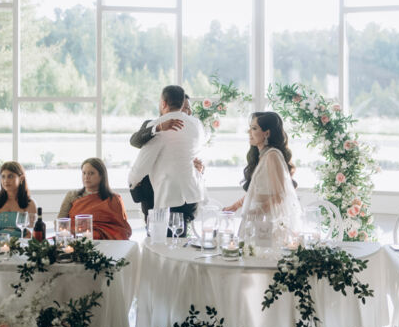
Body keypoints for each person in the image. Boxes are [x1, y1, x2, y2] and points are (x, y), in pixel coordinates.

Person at [128, 85, 205, 235]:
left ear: (163, 103)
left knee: (161, 243)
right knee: (181, 240)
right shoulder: (196, 125)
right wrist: (156, 128)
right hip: (191, 195)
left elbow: (144, 162)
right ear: (182, 104)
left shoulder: (163, 125)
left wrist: (132, 181)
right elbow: (134, 140)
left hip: (167, 197)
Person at [224, 112, 301, 229]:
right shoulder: (263, 156)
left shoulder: (272, 155)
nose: (249, 132)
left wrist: (257, 212)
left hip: (269, 222)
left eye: (254, 128)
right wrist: (234, 207)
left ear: (267, 133)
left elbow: (280, 195)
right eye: (250, 128)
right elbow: (257, 192)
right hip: (258, 220)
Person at [58, 158, 131, 240]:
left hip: (105, 241)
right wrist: (75, 232)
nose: (86, 177)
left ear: (101, 176)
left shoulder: (113, 199)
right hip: (75, 239)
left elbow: (120, 228)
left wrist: (95, 233)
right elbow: (60, 222)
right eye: (84, 173)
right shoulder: (72, 195)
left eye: (91, 173)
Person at [0, 161, 37, 238]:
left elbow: (31, 234)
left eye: (10, 176)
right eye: (3, 176)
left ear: (21, 178)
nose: (6, 180)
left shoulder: (30, 204)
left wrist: (17, 244)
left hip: (21, 244)